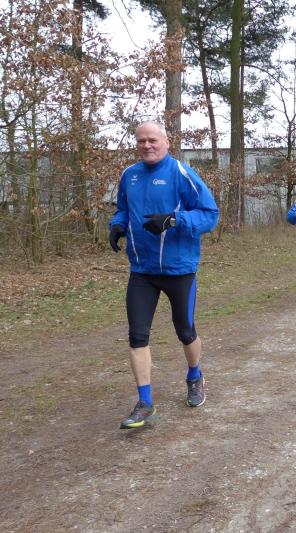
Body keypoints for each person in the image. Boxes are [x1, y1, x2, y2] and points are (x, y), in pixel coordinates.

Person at [109, 121, 219, 429]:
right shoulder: (129, 175)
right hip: (142, 271)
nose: (147, 145)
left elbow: (210, 215)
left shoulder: (181, 173)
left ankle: (195, 375)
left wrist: (174, 220)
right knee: (137, 335)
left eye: (153, 140)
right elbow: (123, 209)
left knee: (185, 330)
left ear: (166, 142)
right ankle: (145, 403)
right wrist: (116, 226)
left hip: (179, 269)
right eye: (141, 141)